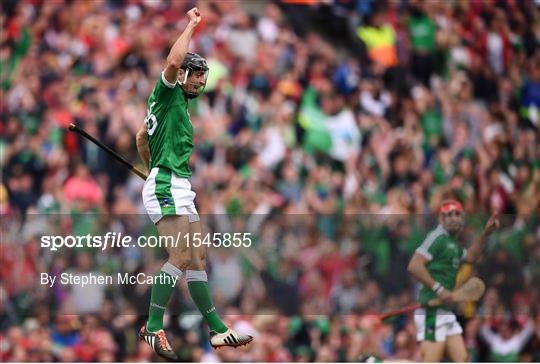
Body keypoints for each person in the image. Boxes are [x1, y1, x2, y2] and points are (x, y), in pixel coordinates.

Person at [135, 7, 253, 361]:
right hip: (168, 184)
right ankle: (153, 326)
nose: (200, 81)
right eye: (196, 74)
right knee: (182, 256)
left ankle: (217, 330)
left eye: (203, 76)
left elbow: (142, 136)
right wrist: (191, 25)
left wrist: (149, 166)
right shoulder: (168, 91)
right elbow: (172, 61)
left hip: (176, 184)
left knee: (199, 258)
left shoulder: (175, 106)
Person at [407, 199, 499, 362]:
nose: (454, 218)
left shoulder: (453, 245)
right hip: (431, 312)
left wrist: (486, 233)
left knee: (463, 360)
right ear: (441, 219)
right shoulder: (437, 237)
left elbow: (470, 257)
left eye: (457, 214)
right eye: (449, 215)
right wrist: (439, 289)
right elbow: (414, 265)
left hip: (446, 312)